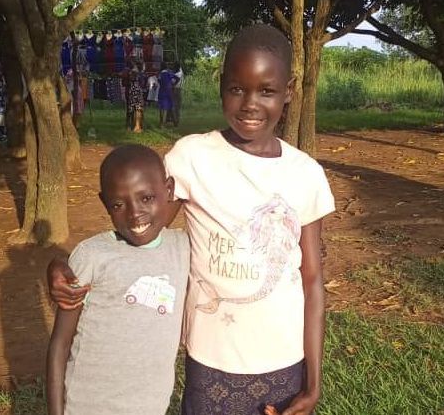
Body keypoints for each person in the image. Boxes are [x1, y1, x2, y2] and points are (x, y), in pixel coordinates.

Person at [47, 24, 335, 415]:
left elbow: (313, 279)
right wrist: (63, 266)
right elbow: (141, 229)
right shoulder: (192, 157)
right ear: (221, 86)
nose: (250, 104)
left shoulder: (306, 174)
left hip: (284, 360)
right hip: (210, 360)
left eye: (266, 91)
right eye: (237, 89)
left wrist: (314, 384)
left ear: (289, 90)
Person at [46, 145, 190, 415]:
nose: (135, 214)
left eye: (146, 198)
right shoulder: (92, 256)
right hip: (87, 407)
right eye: (118, 204)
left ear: (169, 191)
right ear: (104, 203)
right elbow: (60, 344)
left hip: (150, 408)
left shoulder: (183, 249)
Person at [121, 61, 147, 133]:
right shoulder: (139, 74)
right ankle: (137, 126)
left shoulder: (131, 73)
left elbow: (126, 81)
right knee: (138, 109)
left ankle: (129, 126)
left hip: (131, 91)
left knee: (131, 109)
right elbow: (142, 83)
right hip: (137, 91)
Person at [157, 62, 178, 127]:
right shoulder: (169, 73)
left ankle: (161, 123)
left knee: (161, 108)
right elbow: (177, 78)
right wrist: (173, 85)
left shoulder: (160, 74)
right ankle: (174, 122)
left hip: (161, 91)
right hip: (168, 91)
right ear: (166, 66)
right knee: (169, 107)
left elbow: (158, 81)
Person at [171, 61, 184, 127]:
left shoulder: (177, 75)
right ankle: (176, 121)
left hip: (176, 89)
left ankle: (175, 121)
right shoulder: (181, 72)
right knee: (177, 107)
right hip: (179, 89)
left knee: (174, 106)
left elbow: (173, 82)